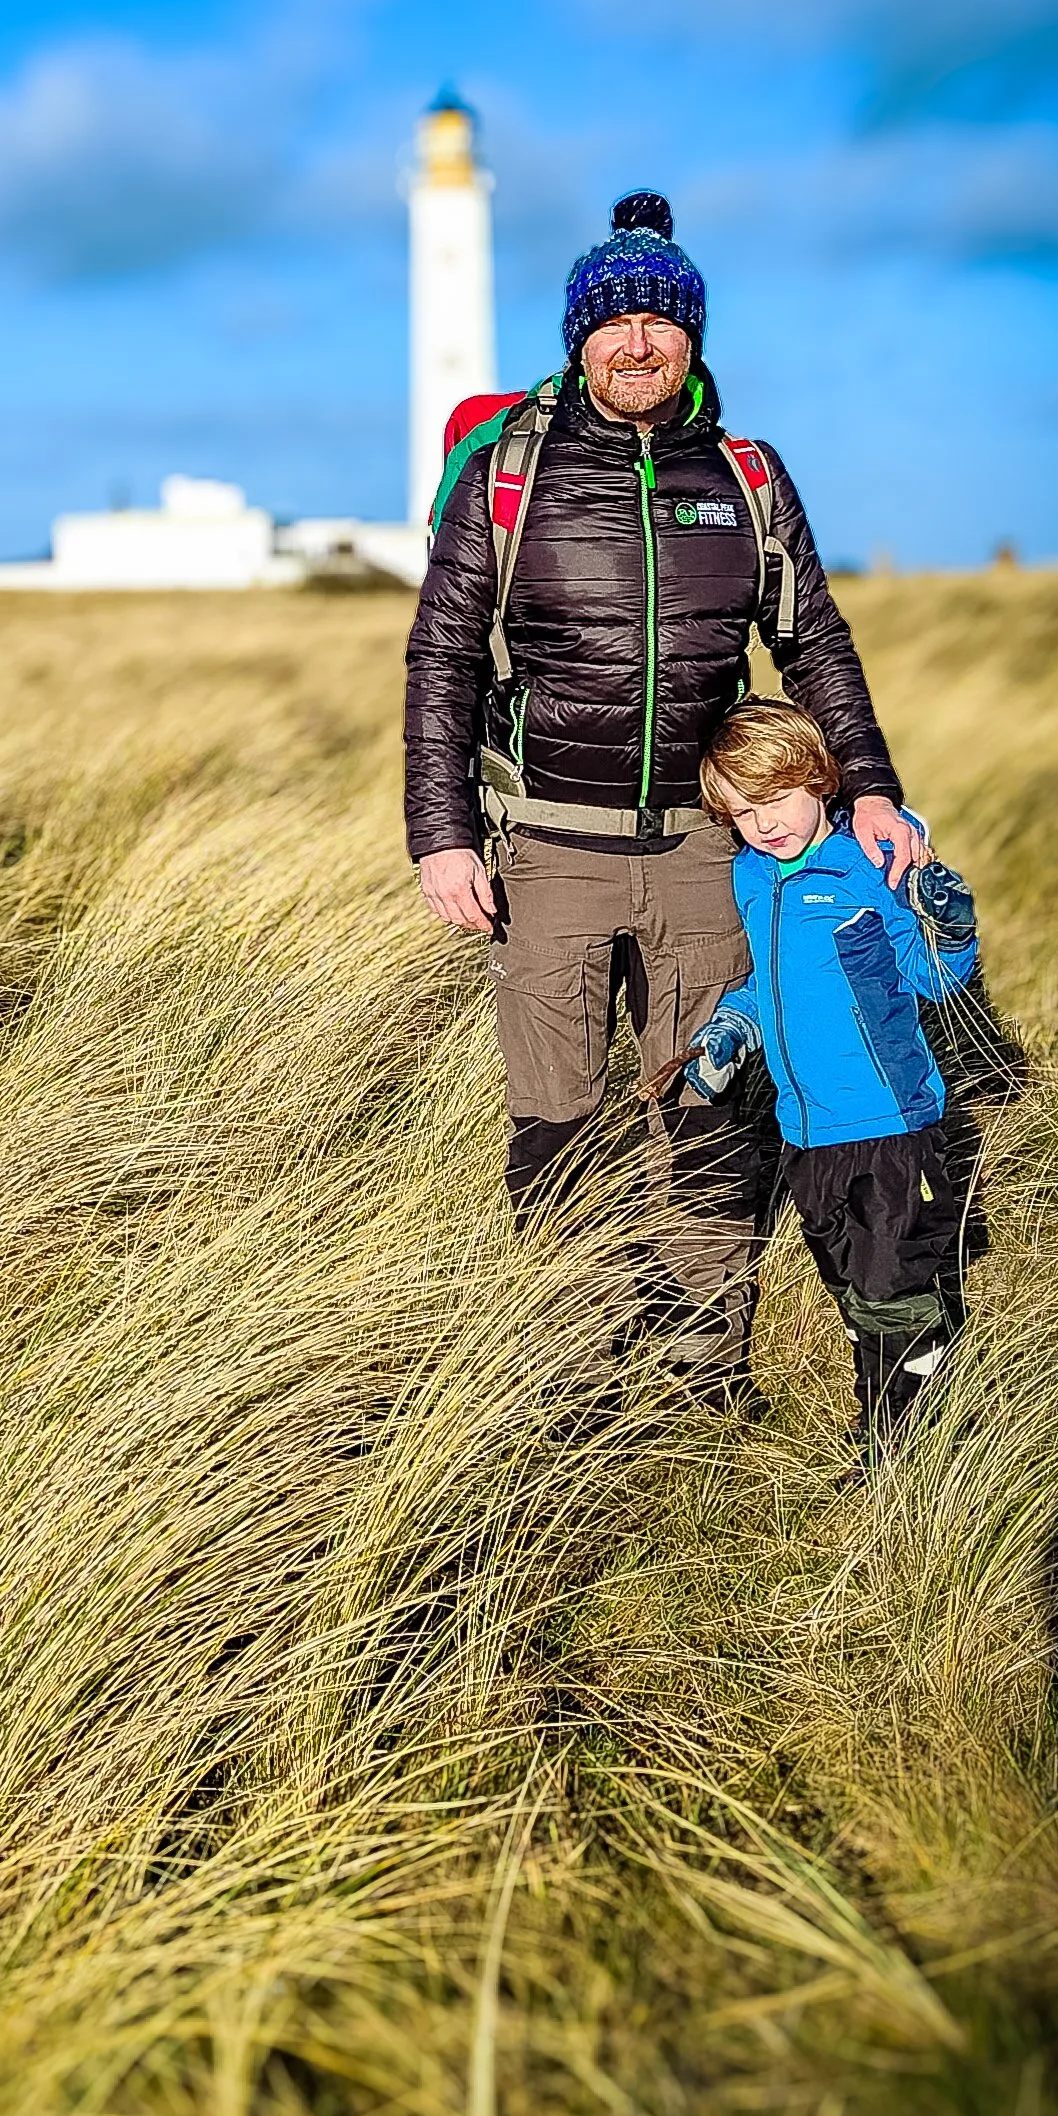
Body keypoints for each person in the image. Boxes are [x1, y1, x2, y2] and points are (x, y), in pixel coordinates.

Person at [405, 190, 916, 1404]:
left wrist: (875, 791)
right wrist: (440, 833)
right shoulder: (507, 477)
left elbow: (817, 646)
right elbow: (441, 658)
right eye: (613, 321)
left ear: (691, 337)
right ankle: (575, 1368)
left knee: (705, 1106)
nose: (637, 341)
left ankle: (700, 1362)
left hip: (707, 853)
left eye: (661, 321)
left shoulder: (744, 474)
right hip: (547, 852)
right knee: (557, 1120)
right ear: (577, 338)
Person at [687, 697, 981, 1457]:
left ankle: (901, 1445)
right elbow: (771, 983)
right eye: (745, 811)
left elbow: (930, 976)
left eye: (778, 799)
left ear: (819, 781)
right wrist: (733, 1026)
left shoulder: (866, 865)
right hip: (806, 1132)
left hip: (887, 1125)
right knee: (852, 1287)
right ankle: (917, 1385)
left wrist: (951, 929)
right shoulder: (754, 878)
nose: (766, 823)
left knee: (892, 1288)